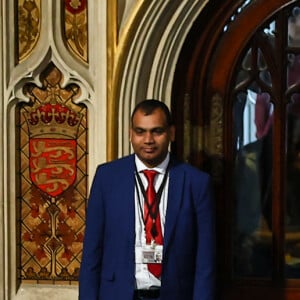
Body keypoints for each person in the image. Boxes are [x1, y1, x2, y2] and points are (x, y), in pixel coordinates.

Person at [79, 99, 215, 300]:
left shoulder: (196, 183)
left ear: (172, 133)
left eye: (157, 131)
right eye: (140, 131)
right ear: (130, 134)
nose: (148, 140)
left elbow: (206, 261)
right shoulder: (107, 178)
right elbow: (92, 253)